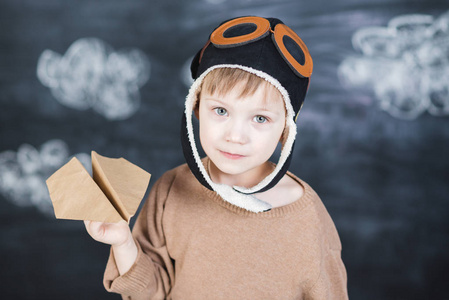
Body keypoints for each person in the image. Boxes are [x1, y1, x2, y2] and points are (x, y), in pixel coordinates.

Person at [84, 16, 348, 299]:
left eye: (260, 118)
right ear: (196, 107)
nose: (235, 135)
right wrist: (123, 242)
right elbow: (153, 292)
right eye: (221, 111)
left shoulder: (307, 219)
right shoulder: (170, 190)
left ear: (286, 130)